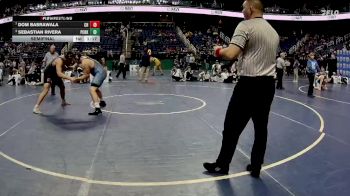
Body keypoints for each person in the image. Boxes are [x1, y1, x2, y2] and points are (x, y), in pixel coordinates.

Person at [203, 0, 279, 178]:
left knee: (231, 127)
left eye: (243, 7)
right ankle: (256, 166)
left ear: (251, 8)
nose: (242, 10)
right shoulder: (273, 31)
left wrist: (218, 50)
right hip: (268, 85)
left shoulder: (245, 25)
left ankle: (222, 165)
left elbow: (230, 54)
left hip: (249, 84)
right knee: (261, 129)